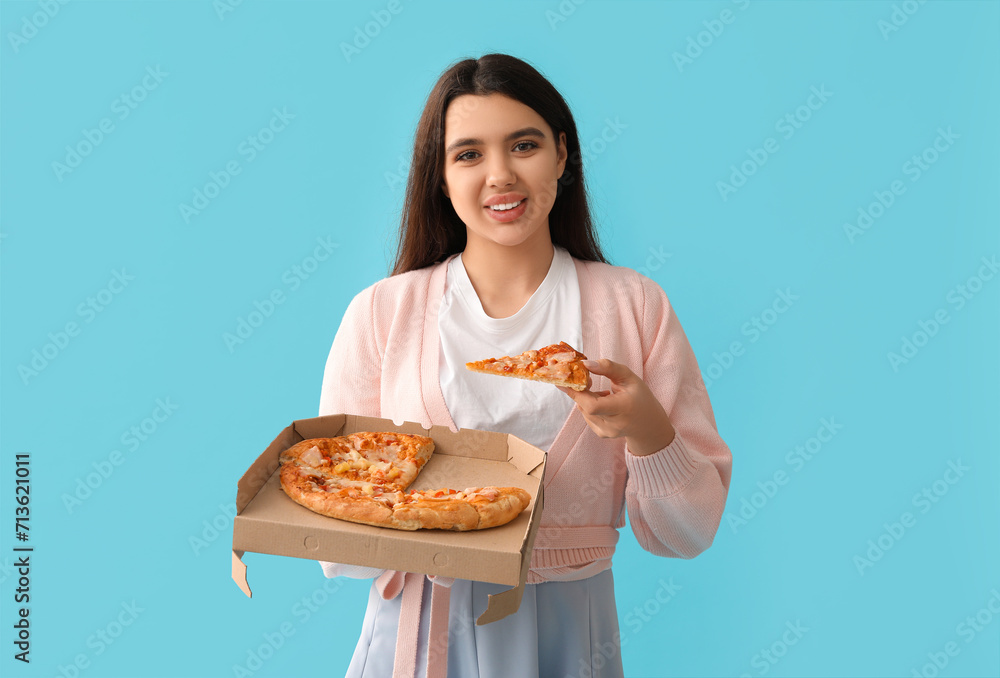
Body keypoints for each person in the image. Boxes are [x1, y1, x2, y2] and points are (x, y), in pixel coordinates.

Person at [317, 53, 732, 678]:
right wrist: (427, 518)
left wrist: (650, 434)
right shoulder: (383, 313)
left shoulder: (634, 306)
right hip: (421, 636)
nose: (500, 174)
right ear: (441, 176)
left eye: (524, 145)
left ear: (562, 156)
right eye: (469, 154)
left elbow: (688, 533)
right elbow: (336, 542)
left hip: (569, 638)